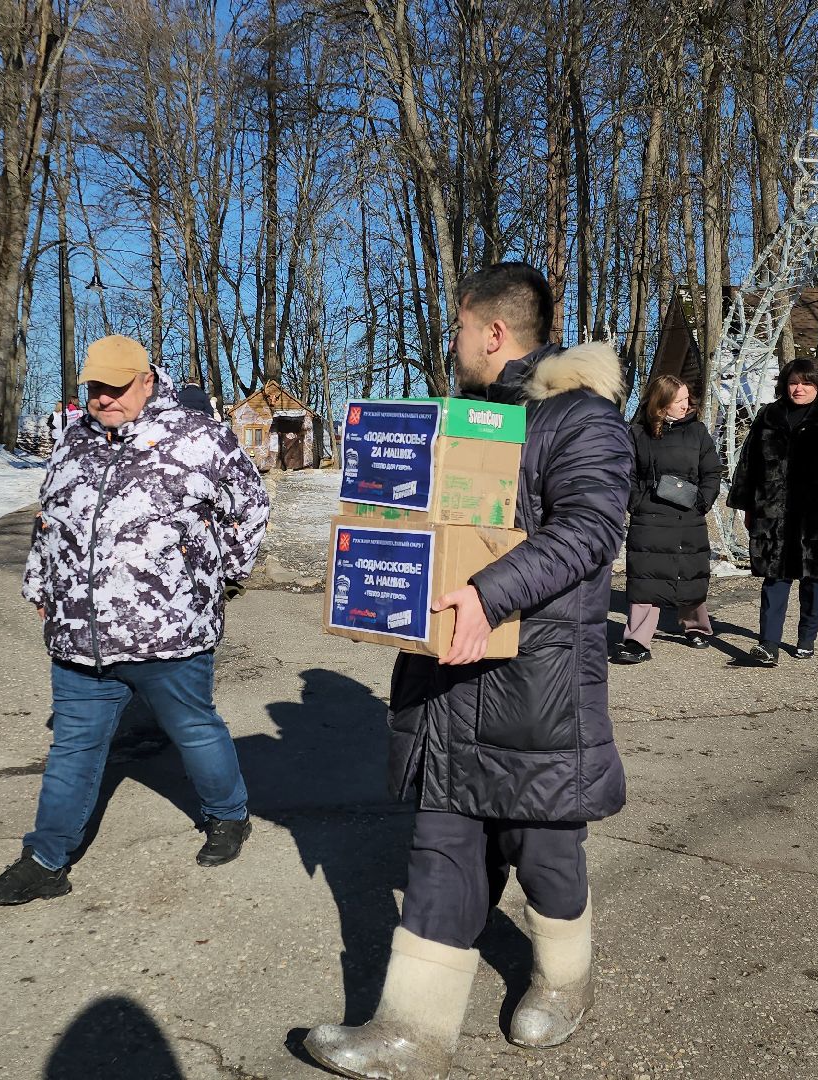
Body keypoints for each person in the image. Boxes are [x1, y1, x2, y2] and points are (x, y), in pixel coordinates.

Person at [304, 264, 632, 1079]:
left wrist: (488, 593)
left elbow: (591, 528)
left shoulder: (581, 421)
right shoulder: (466, 421)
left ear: (494, 333)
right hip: (449, 677)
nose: (451, 345)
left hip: (538, 686)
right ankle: (412, 1031)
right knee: (441, 846)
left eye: (459, 329)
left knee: (545, 850)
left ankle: (565, 981)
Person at [0, 335, 271, 906]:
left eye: (117, 386)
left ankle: (228, 816)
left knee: (194, 729)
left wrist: (213, 577)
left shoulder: (199, 437)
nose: (104, 398)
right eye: (95, 388)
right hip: (80, 635)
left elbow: (251, 507)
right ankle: (45, 860)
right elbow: (50, 517)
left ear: (148, 380)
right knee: (73, 749)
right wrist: (42, 579)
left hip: (171, 630)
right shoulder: (75, 440)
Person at [726, 358, 818, 666]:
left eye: (806, 383)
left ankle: (806, 638)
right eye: (793, 382)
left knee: (814, 581)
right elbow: (749, 465)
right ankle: (768, 645)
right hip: (774, 512)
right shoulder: (769, 416)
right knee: (774, 579)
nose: (799, 389)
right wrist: (747, 506)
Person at [615, 374, 721, 665]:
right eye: (679, 401)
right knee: (645, 579)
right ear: (661, 405)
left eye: (687, 399)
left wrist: (702, 502)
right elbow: (626, 474)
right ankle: (637, 640)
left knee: (689, 573)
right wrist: (636, 502)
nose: (686, 405)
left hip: (688, 515)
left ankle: (696, 627)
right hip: (649, 516)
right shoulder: (637, 434)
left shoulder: (697, 432)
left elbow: (712, 471)